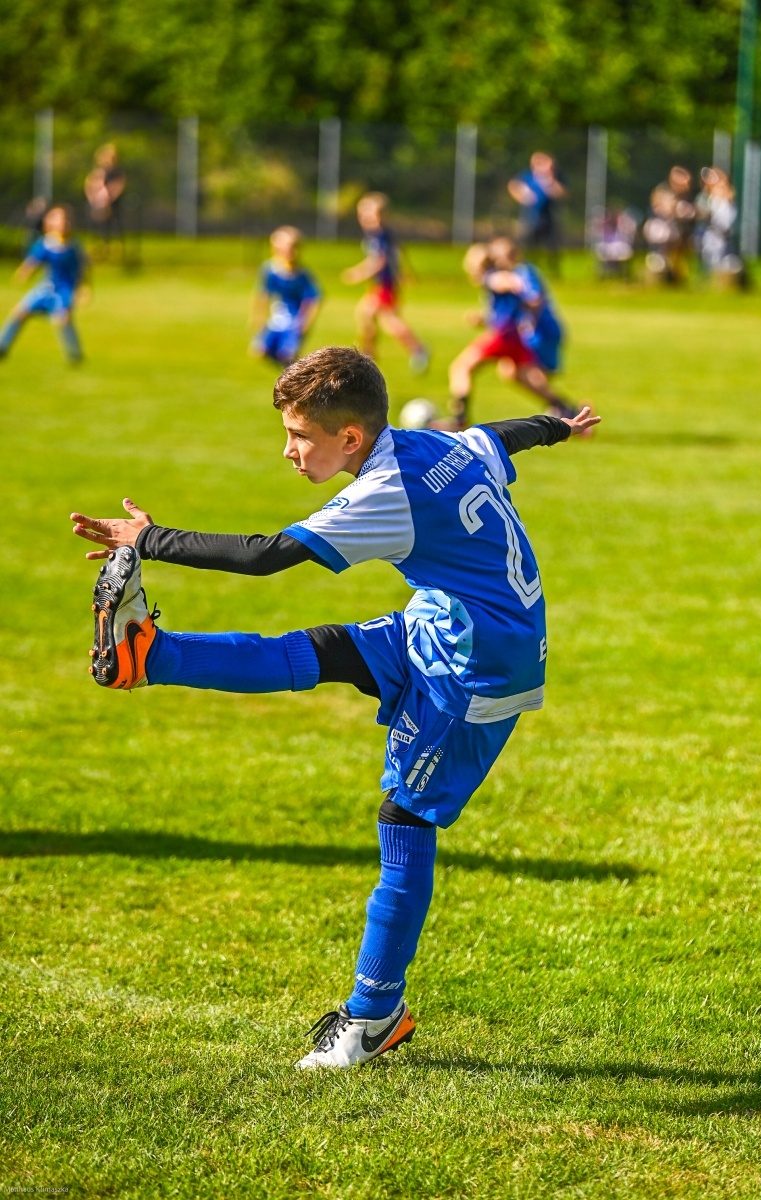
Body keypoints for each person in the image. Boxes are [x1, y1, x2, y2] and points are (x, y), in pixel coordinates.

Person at [69, 347, 599, 1070]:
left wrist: (148, 540)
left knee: (405, 819)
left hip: (478, 669)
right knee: (319, 649)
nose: (288, 450)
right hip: (444, 622)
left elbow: (265, 557)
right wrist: (560, 425)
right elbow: (502, 436)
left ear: (351, 437)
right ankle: (149, 657)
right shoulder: (436, 444)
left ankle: (375, 1015)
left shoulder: (388, 489)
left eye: (300, 436)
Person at [447, 237, 584, 430]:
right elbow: (505, 309)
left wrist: (513, 284)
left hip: (503, 336)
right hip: (515, 337)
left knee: (461, 367)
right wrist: (484, 318)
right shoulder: (501, 277)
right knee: (518, 374)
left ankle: (459, 419)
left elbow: (508, 283)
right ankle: (567, 409)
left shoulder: (493, 277)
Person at [341, 193, 429, 372]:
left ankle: (417, 350)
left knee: (386, 319)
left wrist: (358, 273)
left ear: (383, 215)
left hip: (385, 284)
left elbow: (379, 261)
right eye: (362, 214)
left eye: (371, 214)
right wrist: (405, 272)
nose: (366, 218)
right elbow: (399, 252)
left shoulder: (379, 236)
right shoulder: (381, 234)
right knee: (368, 315)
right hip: (381, 284)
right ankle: (368, 355)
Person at [0, 204, 88, 363]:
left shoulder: (73, 246)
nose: (63, 224)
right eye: (58, 219)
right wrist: (25, 272)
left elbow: (82, 269)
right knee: (19, 313)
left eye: (65, 220)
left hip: (64, 289)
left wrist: (83, 288)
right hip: (46, 287)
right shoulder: (46, 243)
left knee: (63, 319)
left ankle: (74, 353)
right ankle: (2, 346)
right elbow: (33, 261)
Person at [249, 226, 321, 366]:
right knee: (260, 351)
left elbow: (314, 298)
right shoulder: (270, 270)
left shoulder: (302, 275)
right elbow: (263, 294)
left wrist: (306, 322)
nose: (291, 251)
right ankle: (292, 372)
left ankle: (297, 373)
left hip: (294, 323)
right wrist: (258, 317)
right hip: (275, 321)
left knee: (287, 355)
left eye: (295, 247)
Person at [507, 152, 567, 276]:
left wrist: (550, 181)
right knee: (528, 245)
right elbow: (512, 185)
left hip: (549, 216)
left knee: (552, 246)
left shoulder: (555, 178)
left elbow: (562, 193)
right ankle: (528, 268)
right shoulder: (527, 176)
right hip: (530, 216)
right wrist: (522, 197)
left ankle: (553, 271)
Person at [84, 143, 126, 251]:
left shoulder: (117, 171)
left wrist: (111, 197)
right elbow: (90, 183)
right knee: (98, 222)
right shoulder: (99, 171)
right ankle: (100, 242)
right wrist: (93, 198)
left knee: (114, 222)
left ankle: (116, 243)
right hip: (99, 201)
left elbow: (119, 185)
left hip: (112, 202)